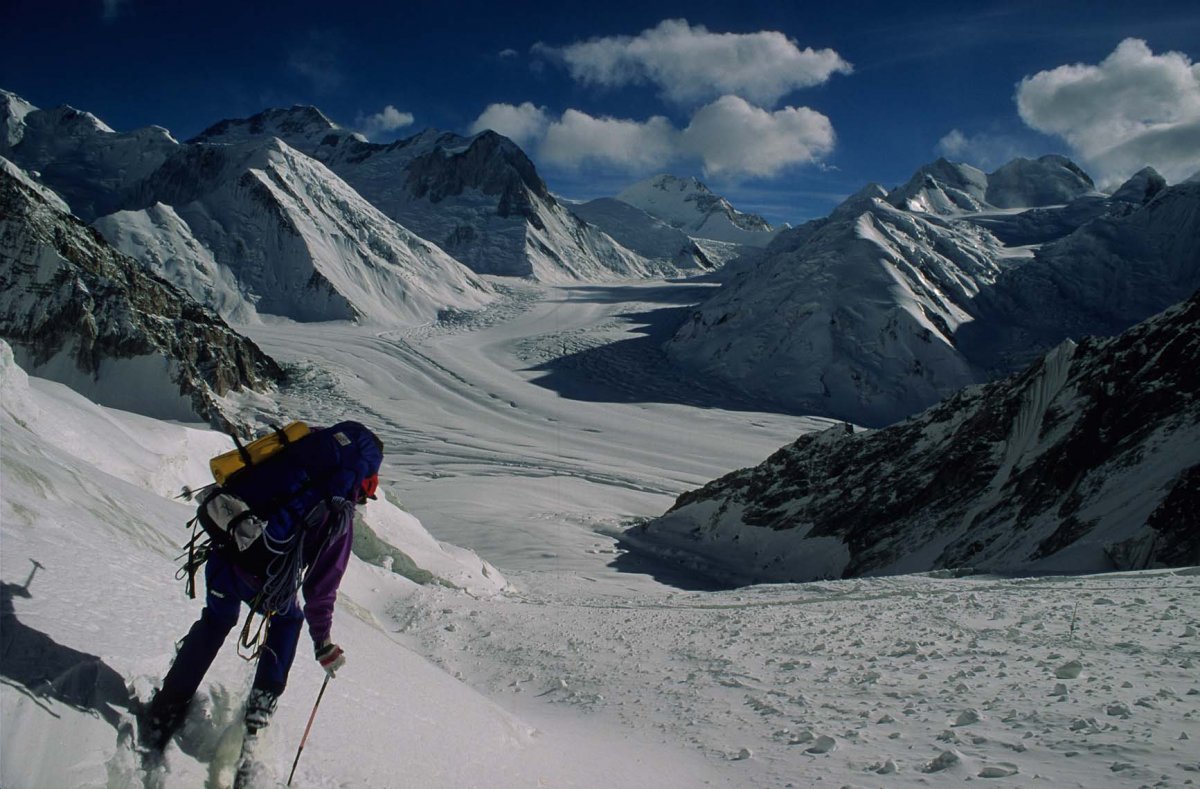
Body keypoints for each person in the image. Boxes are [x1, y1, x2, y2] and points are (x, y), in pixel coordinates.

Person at [140, 424, 383, 752]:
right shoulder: (337, 512)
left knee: (215, 621)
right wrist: (322, 642)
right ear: (364, 477)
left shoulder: (292, 458)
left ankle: (166, 709)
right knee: (287, 621)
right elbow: (320, 588)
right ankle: (256, 726)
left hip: (224, 553)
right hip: (265, 577)